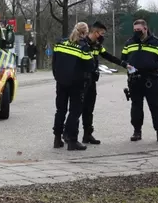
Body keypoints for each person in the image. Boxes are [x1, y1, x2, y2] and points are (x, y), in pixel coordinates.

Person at [82, 21, 133, 144]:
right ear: (95, 32)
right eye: (102, 33)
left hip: (92, 81)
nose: (102, 36)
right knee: (77, 109)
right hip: (81, 81)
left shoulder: (97, 45)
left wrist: (124, 64)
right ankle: (69, 135)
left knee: (89, 109)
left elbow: (108, 56)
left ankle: (87, 134)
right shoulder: (82, 44)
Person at [121, 19, 158, 143]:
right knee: (136, 107)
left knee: (155, 107)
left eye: (139, 30)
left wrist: (153, 66)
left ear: (145, 28)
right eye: (135, 30)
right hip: (135, 80)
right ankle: (137, 131)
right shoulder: (129, 43)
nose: (137, 32)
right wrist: (128, 66)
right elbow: (123, 59)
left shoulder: (156, 43)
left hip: (151, 79)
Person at [52, 22, 96, 151]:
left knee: (60, 110)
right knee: (74, 112)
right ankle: (72, 140)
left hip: (61, 82)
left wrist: (57, 76)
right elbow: (90, 66)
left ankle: (57, 139)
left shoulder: (60, 43)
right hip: (77, 84)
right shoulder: (83, 48)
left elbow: (54, 61)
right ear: (84, 33)